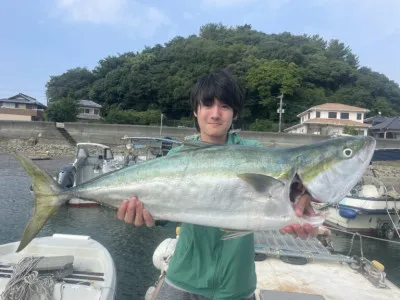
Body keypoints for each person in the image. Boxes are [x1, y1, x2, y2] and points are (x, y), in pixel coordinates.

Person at [117, 69, 317, 300]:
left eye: (224, 106)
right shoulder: (178, 155)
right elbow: (165, 211)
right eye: (207, 105)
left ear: (234, 113)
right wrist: (146, 214)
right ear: (196, 110)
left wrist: (304, 199)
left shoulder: (254, 154)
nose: (215, 114)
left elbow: (290, 179)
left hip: (236, 286)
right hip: (183, 279)